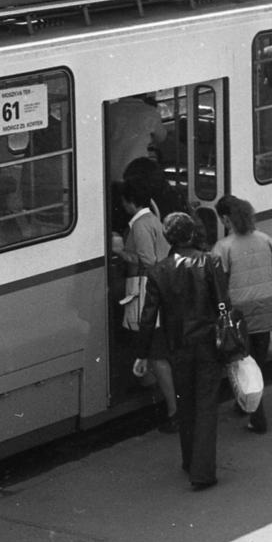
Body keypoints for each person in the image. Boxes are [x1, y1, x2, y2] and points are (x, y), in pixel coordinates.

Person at [134, 211, 226, 489]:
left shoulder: (158, 270)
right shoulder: (211, 262)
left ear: (167, 237)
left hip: (178, 346)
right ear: (192, 234)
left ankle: (189, 461)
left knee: (185, 403)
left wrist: (142, 353)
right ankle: (202, 472)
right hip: (209, 344)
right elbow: (224, 303)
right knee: (207, 406)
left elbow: (148, 316)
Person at [213, 194, 272, 434]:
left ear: (225, 219)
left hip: (239, 315)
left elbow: (217, 284)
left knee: (245, 364)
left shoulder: (223, 247)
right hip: (264, 309)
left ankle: (258, 418)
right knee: (258, 363)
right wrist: (271, 293)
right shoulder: (266, 240)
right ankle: (243, 403)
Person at [119, 175, 174, 430]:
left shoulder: (139, 225)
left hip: (145, 290)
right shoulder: (153, 219)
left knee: (153, 348)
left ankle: (173, 409)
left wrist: (119, 253)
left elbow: (147, 261)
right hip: (160, 288)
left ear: (130, 201)